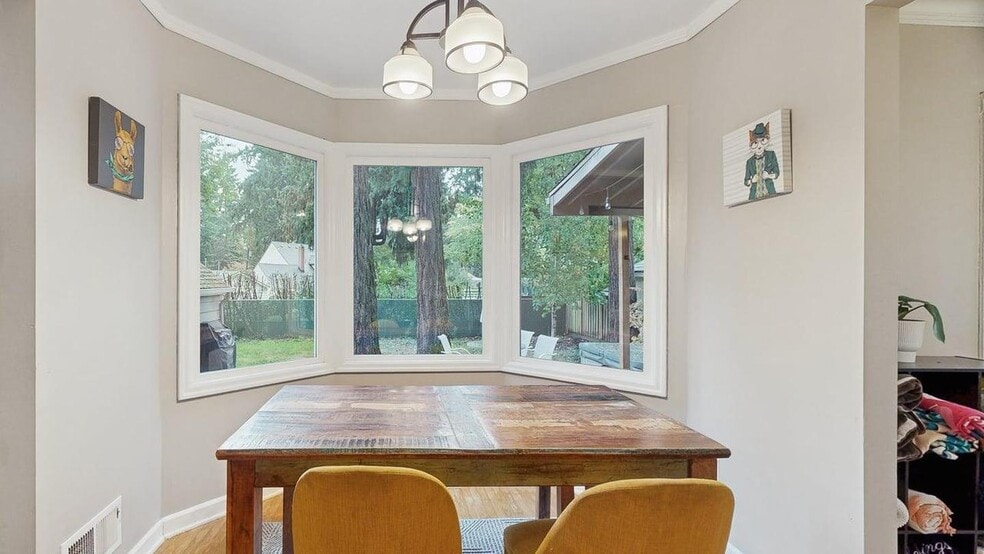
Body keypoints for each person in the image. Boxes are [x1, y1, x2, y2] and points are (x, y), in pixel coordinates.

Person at [744, 122, 780, 200]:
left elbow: (777, 173)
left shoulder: (771, 155)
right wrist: (751, 180)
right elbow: (746, 181)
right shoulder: (749, 162)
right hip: (754, 195)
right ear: (751, 145)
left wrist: (769, 176)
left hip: (770, 193)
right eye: (755, 143)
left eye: (763, 140)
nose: (759, 146)